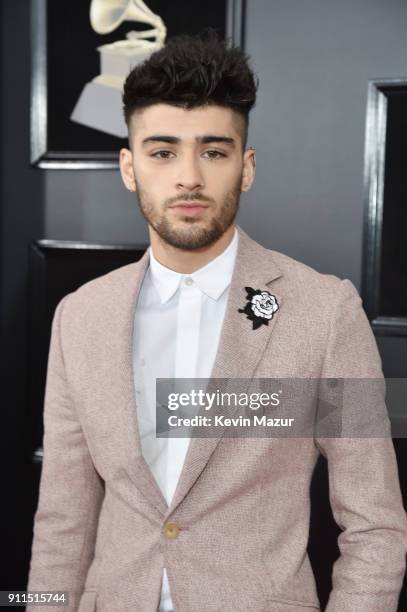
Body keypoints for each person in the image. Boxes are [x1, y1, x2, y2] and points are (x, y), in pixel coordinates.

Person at [27, 30, 406, 612]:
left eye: (213, 151)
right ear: (129, 167)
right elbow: (63, 517)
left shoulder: (326, 312)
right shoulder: (80, 317)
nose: (188, 178)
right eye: (162, 152)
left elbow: (375, 523)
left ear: (245, 166)